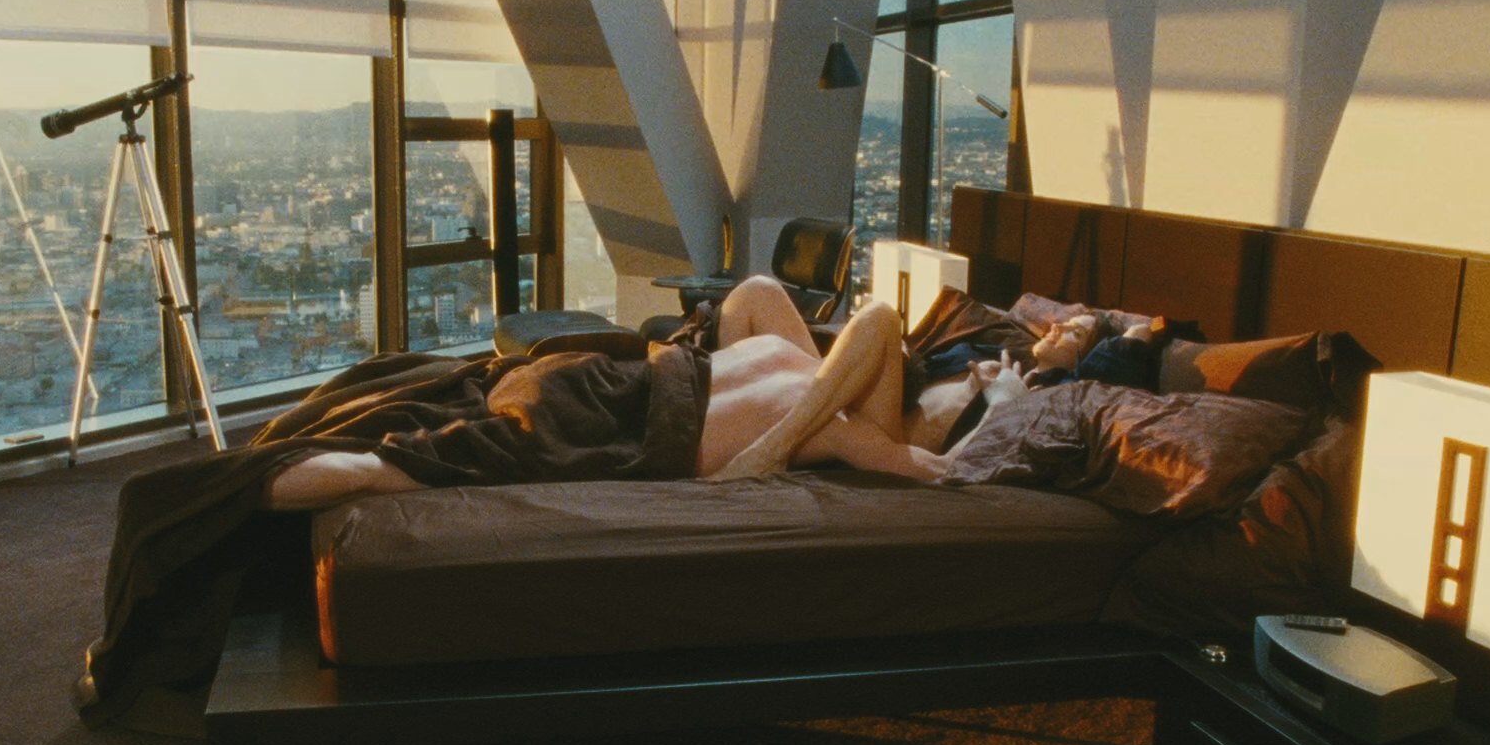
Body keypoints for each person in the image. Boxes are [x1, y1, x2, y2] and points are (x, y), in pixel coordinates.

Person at [262, 277, 1143, 509]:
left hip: (790, 424)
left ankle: (255, 486)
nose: (1061, 322)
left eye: (1079, 328)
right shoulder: (981, 343)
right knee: (759, 289)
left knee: (417, 459)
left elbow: (936, 459)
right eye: (1061, 317)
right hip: (690, 388)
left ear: (1088, 360)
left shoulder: (1047, 397)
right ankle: (764, 425)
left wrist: (1010, 397)